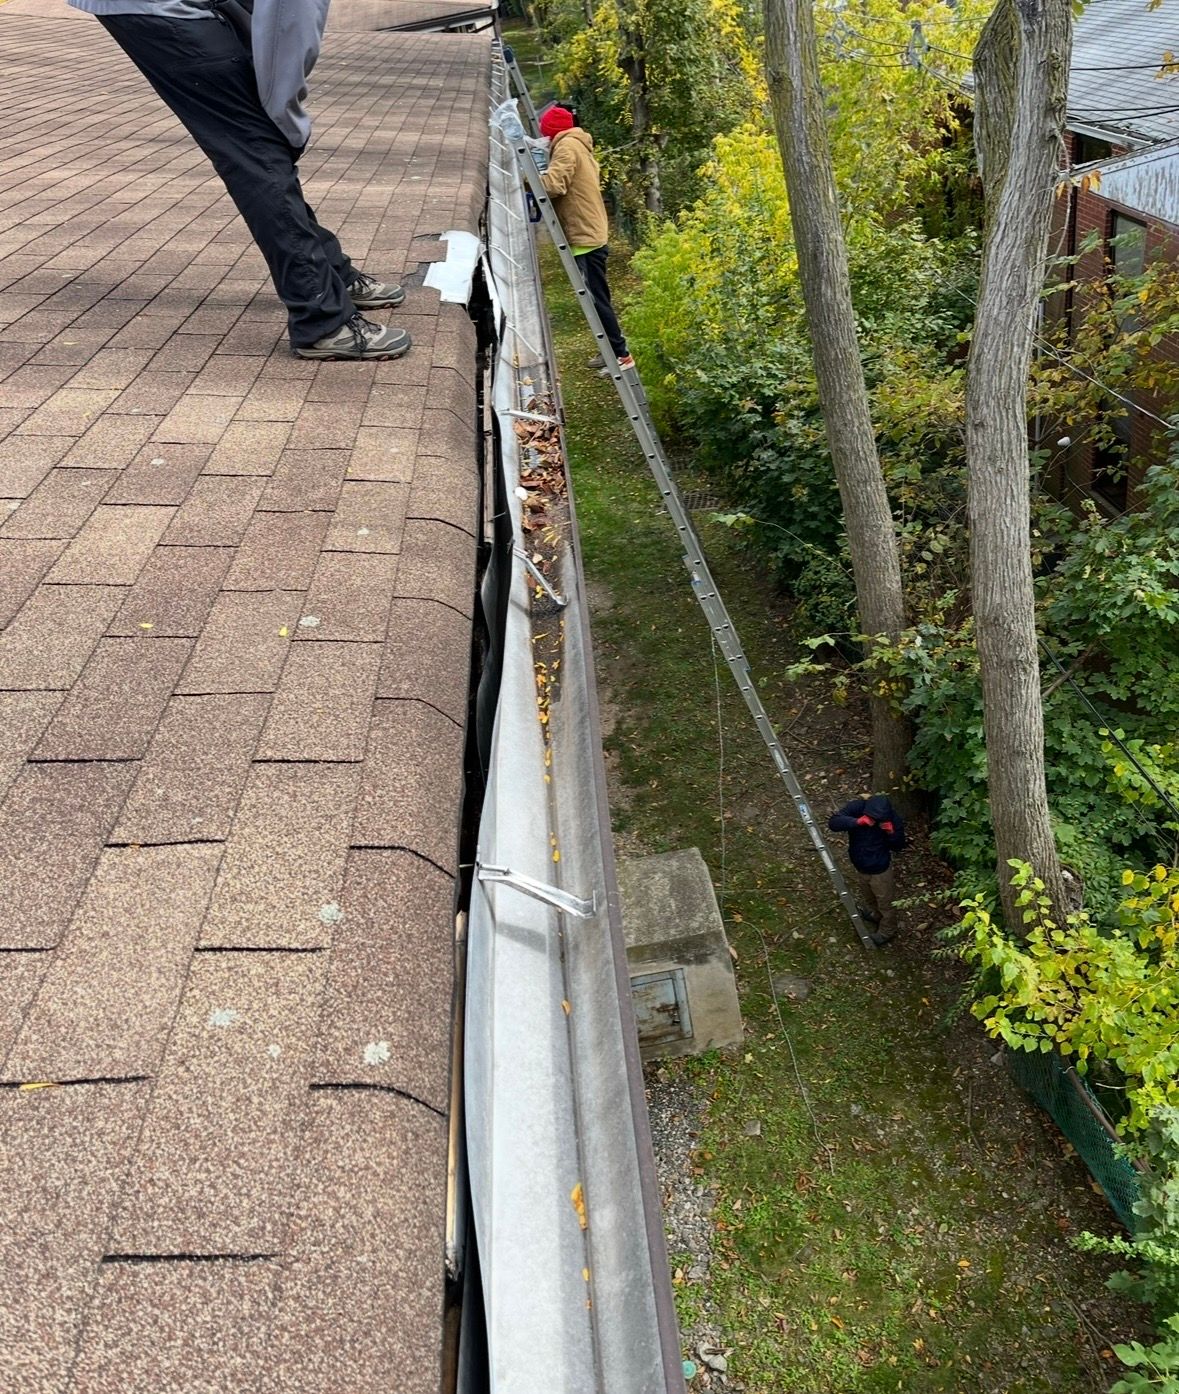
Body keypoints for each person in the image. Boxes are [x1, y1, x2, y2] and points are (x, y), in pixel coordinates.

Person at [70, 0, 411, 362]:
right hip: (160, 10)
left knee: (259, 152)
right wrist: (283, 122)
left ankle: (333, 276)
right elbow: (288, 29)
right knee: (258, 154)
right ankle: (323, 323)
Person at [538, 105, 633, 371]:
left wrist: (526, 179)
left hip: (584, 235)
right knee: (596, 298)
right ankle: (612, 350)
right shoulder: (577, 144)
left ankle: (621, 354)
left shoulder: (567, 147)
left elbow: (555, 184)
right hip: (588, 230)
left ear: (552, 131)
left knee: (597, 299)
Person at [828, 794, 906, 945]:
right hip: (860, 865)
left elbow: (899, 846)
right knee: (868, 895)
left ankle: (887, 931)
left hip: (880, 870)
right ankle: (875, 915)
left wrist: (891, 832)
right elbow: (834, 823)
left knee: (885, 902)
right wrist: (857, 822)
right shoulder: (857, 807)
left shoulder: (892, 819)